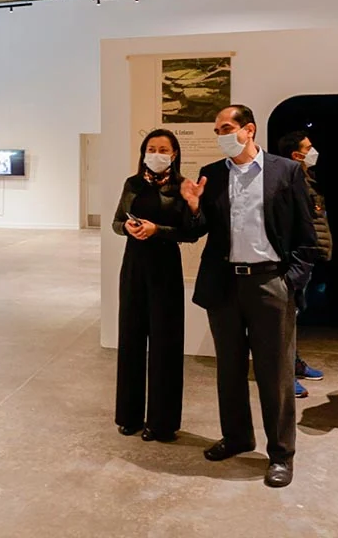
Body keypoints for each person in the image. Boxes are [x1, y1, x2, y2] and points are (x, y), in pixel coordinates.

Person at [180, 105, 317, 488]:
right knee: (229, 368)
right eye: (217, 129)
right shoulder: (211, 174)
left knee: (275, 373)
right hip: (224, 284)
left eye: (227, 127)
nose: (221, 134)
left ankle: (280, 455)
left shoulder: (284, 171)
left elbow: (307, 237)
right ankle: (238, 437)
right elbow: (199, 230)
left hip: (270, 283)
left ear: (249, 130)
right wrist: (193, 207)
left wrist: (290, 282)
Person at [112, 129, 197, 444]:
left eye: (164, 148)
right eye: (152, 148)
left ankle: (162, 423)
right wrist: (129, 227)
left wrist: (157, 229)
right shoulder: (132, 184)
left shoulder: (182, 186)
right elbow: (116, 222)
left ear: (174, 154)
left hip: (165, 269)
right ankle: (129, 416)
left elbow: (190, 233)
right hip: (134, 266)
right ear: (143, 152)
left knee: (165, 344)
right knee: (131, 339)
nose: (157, 153)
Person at [275, 131, 331, 399]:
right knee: (287, 318)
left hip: (309, 256)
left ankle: (293, 362)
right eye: (308, 147)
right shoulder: (291, 180)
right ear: (296, 154)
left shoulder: (308, 178)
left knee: (295, 315)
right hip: (297, 258)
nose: (313, 151)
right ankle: (284, 373)